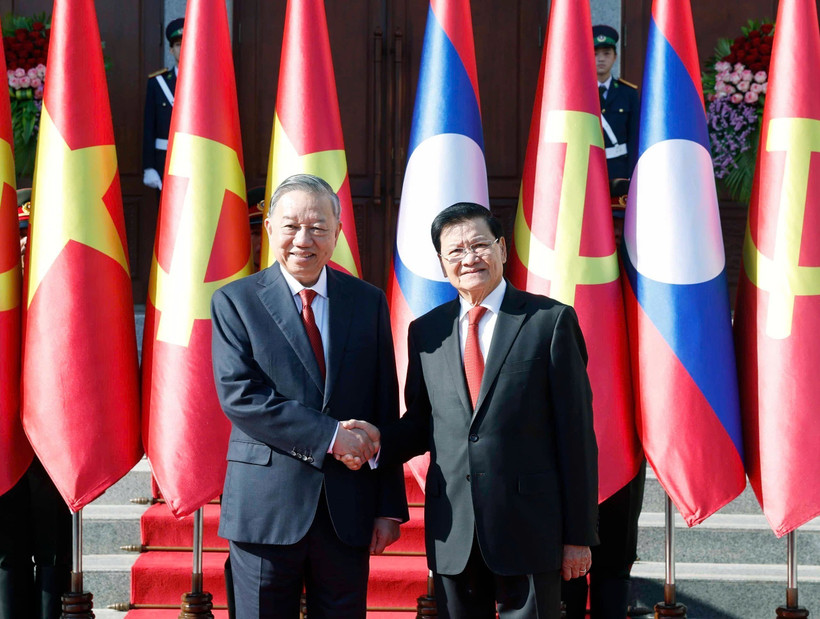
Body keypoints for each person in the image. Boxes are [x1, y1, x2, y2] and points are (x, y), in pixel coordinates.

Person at [348, 202, 599, 618]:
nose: (469, 259)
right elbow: (422, 422)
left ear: (501, 249)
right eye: (456, 252)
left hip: (531, 527)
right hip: (454, 529)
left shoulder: (549, 322)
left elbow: (576, 437)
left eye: (479, 245)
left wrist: (578, 535)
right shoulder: (426, 331)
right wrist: (374, 444)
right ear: (442, 264)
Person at [211, 173, 408, 618]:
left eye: (318, 227)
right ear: (268, 229)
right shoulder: (235, 301)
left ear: (337, 233)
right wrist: (331, 437)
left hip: (347, 509)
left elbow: (383, 403)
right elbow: (241, 396)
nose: (304, 239)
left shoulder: (367, 301)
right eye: (291, 226)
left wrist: (389, 506)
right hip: (266, 508)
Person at [561, 200, 648, 619]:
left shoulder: (643, 286)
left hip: (621, 435)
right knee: (567, 571)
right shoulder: (555, 271)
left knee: (614, 565)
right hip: (560, 446)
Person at [0, 190, 72, 619]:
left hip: (53, 437)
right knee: (7, 554)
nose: (27, 245)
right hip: (6, 435)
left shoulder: (65, 294)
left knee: (53, 553)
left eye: (35, 236)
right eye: (20, 236)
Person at [593, 24, 639, 189]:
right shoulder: (579, 93)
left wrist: (633, 174)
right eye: (595, 54)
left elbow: (634, 137)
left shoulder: (629, 93)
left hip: (619, 173)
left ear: (615, 56)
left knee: (618, 215)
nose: (601, 59)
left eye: (607, 53)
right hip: (588, 171)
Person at [142, 17, 183, 190]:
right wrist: (149, 167)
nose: (183, 48)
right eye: (178, 45)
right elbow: (149, 127)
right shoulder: (157, 83)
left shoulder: (205, 83)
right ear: (171, 50)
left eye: (187, 43)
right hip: (164, 161)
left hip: (198, 160)